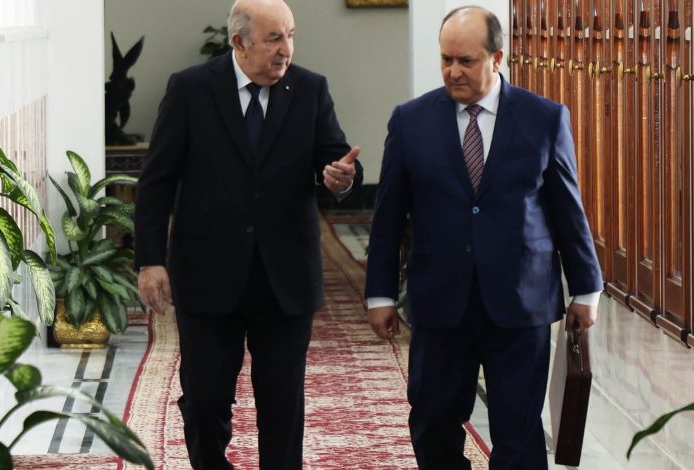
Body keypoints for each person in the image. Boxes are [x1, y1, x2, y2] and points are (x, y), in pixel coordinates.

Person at [364, 6, 602, 469]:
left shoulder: (544, 118)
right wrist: (380, 294)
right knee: (433, 421)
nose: (453, 71)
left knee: (519, 430)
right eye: (446, 59)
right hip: (440, 299)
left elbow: (567, 210)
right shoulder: (410, 121)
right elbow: (387, 216)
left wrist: (586, 289)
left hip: (521, 301)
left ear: (497, 57)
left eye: (466, 61)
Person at [134, 0, 363, 468]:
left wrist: (341, 179)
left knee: (282, 404)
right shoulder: (191, 89)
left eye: (291, 36)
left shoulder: (310, 88)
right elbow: (156, 182)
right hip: (207, 273)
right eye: (274, 38)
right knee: (204, 400)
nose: (286, 50)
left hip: (285, 276)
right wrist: (150, 260)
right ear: (239, 42)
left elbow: (335, 159)